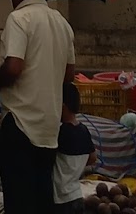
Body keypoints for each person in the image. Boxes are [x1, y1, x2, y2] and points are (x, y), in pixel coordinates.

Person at [0, 0, 76, 214]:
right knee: (42, 198)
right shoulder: (61, 22)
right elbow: (69, 74)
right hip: (49, 127)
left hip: (20, 122)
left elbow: (14, 67)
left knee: (19, 201)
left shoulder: (18, 18)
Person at [52, 83, 96, 214]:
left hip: (60, 199)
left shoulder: (60, 133)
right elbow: (93, 158)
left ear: (62, 106)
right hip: (76, 195)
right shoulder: (84, 130)